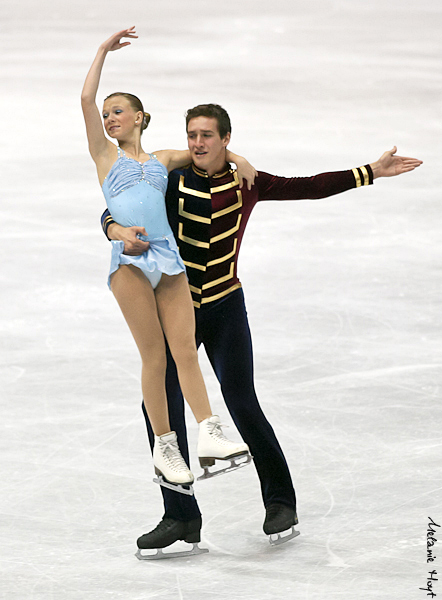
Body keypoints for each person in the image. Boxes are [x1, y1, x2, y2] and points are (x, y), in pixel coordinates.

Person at [102, 79, 423, 557]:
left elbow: (308, 188)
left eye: (207, 135)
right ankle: (180, 517)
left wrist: (369, 172)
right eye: (192, 135)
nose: (197, 143)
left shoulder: (246, 181)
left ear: (225, 139)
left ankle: (280, 501)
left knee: (242, 402)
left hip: (226, 306)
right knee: (160, 408)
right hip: (177, 306)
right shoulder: (169, 178)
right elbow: (117, 205)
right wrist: (113, 228)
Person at [81, 28, 257, 499]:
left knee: (184, 351)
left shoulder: (162, 159)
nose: (109, 118)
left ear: (139, 117)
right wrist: (101, 52)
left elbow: (207, 151)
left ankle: (210, 433)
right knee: (155, 357)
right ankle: (165, 447)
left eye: (117, 112)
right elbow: (84, 98)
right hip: (129, 264)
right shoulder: (104, 155)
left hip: (168, 259)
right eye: (106, 115)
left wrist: (236, 155)